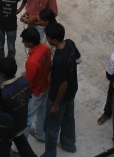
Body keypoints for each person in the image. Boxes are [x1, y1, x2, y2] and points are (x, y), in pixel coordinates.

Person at [43, 23, 80, 157]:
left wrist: (56, 104)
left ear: (54, 40)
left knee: (51, 128)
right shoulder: (69, 43)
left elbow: (62, 85)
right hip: (72, 90)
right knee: (69, 118)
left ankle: (49, 154)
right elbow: (77, 57)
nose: (46, 39)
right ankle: (69, 144)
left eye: (48, 37)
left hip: (59, 96)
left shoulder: (59, 59)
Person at [0, 57, 37, 157]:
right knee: (22, 144)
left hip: (10, 127)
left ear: (1, 74)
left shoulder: (3, 94)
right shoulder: (24, 81)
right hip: (22, 120)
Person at [21, 26, 51, 144]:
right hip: (46, 85)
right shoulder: (45, 48)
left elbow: (28, 82)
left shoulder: (32, 61)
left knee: (27, 118)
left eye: (24, 40)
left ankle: (19, 148)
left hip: (36, 91)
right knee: (42, 111)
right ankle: (40, 133)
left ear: (30, 43)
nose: (23, 42)